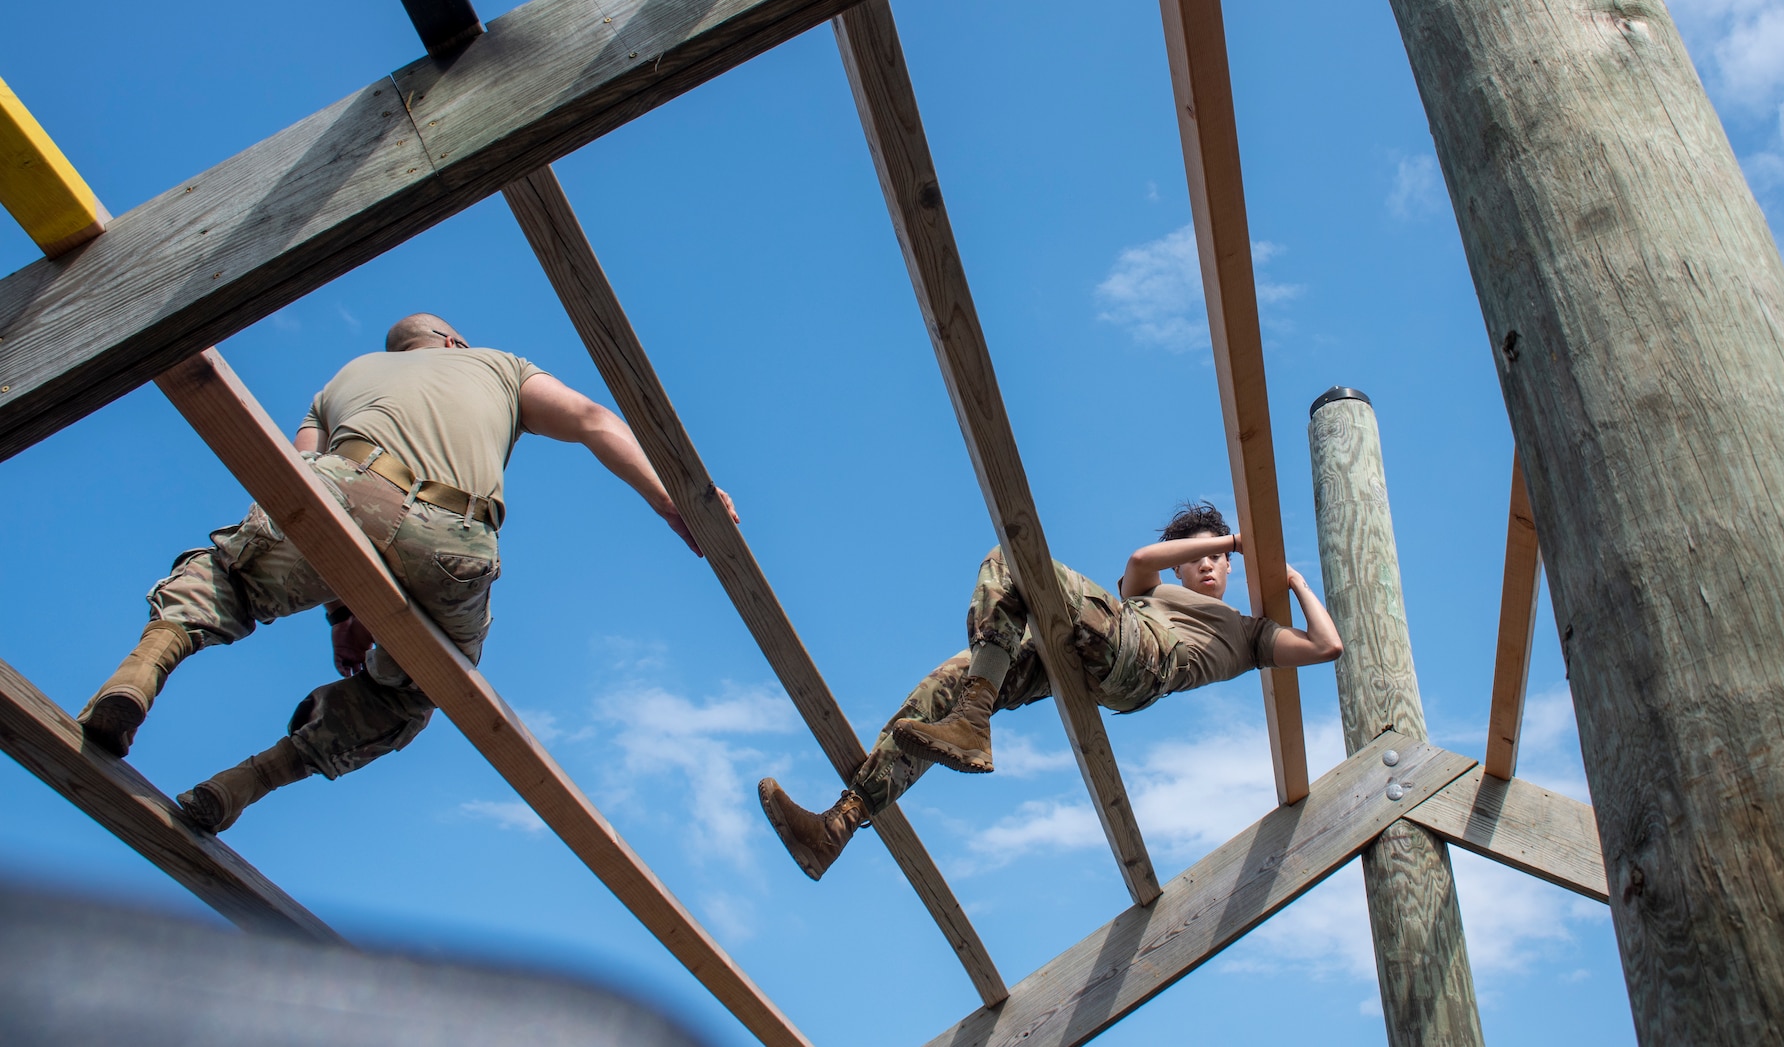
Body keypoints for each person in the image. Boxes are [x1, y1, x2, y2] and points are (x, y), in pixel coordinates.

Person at [77, 313, 730, 833]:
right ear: (452, 341)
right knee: (413, 689)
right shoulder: (498, 364)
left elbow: (297, 488)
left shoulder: (340, 382)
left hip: (345, 484)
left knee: (230, 575)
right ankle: (247, 782)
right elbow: (591, 420)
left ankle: (139, 675)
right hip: (455, 539)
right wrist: (673, 501)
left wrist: (341, 608)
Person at [757, 501, 1343, 879]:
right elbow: (1142, 560)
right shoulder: (1148, 589)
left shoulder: (1249, 634)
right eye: (1200, 557)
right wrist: (1234, 538)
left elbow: (1326, 647)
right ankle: (839, 824)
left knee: (1013, 560)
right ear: (1182, 569)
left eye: (1219, 557)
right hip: (1093, 658)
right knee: (948, 681)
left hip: (1143, 660)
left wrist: (1290, 579)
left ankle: (973, 719)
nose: (1210, 564)